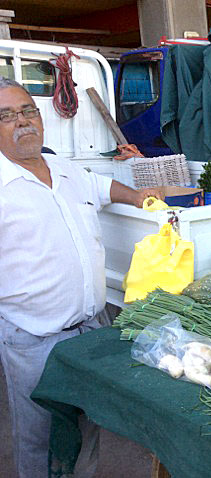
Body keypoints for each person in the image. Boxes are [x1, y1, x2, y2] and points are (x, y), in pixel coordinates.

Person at [0, 77, 164, 478]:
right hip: (33, 338)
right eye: (6, 116)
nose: (21, 122)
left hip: (91, 328)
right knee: (39, 435)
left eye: (26, 111)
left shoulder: (63, 168)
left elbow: (103, 186)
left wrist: (142, 199)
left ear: (40, 117)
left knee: (91, 425)